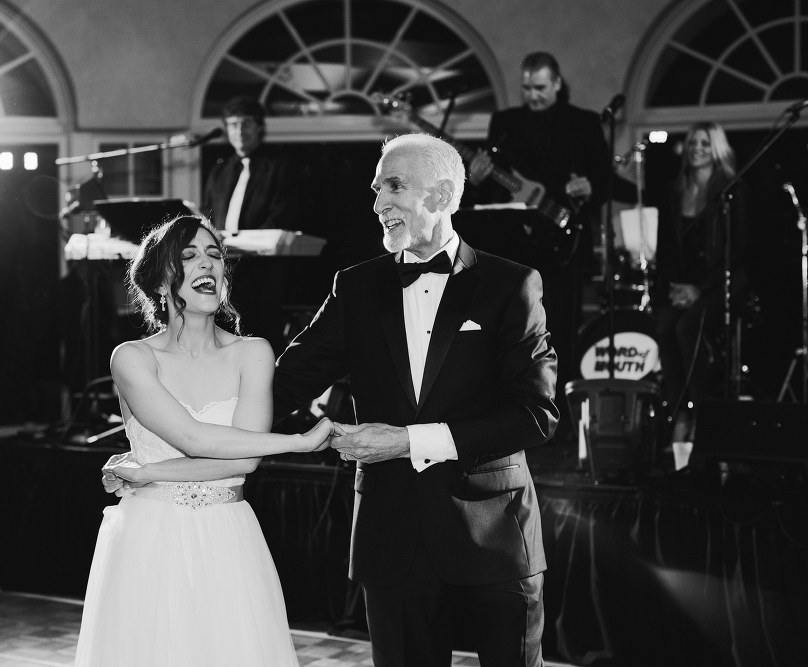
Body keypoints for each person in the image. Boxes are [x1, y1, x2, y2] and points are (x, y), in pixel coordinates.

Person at [273, 134, 559, 667]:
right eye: (377, 189)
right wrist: (187, 424)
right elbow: (284, 384)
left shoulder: (511, 285)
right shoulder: (354, 288)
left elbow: (536, 415)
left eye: (395, 186)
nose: (379, 202)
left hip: (494, 532)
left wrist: (408, 441)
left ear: (444, 193)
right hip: (392, 538)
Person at [77, 215, 332, 666]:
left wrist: (145, 471)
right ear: (158, 281)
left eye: (215, 256)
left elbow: (245, 461)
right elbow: (195, 439)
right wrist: (295, 442)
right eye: (189, 256)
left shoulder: (252, 353)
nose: (208, 266)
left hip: (226, 534)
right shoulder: (133, 359)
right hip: (148, 538)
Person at [468, 52, 610, 442]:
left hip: (563, 242)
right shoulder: (505, 123)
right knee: (510, 326)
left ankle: (558, 422)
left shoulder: (583, 122)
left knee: (558, 326)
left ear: (558, 83)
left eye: (540, 87)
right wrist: (476, 177)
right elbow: (493, 177)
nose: (532, 95)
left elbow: (604, 177)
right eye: (527, 87)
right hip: (514, 241)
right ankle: (511, 411)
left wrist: (591, 187)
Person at [654, 122, 747, 442]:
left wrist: (701, 290)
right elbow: (668, 248)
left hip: (723, 284)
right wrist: (676, 288)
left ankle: (701, 414)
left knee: (685, 328)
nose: (697, 148)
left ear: (717, 149)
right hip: (686, 285)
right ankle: (681, 409)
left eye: (706, 143)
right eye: (693, 142)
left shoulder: (730, 191)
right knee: (664, 324)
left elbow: (737, 253)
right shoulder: (675, 189)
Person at [201, 95, 303, 354]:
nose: (239, 131)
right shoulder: (219, 172)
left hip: (262, 268)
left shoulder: (279, 166)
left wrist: (242, 243)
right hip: (225, 266)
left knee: (261, 334)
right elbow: (208, 216)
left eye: (246, 123)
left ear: (259, 127)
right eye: (233, 124)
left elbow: (281, 215)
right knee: (223, 334)